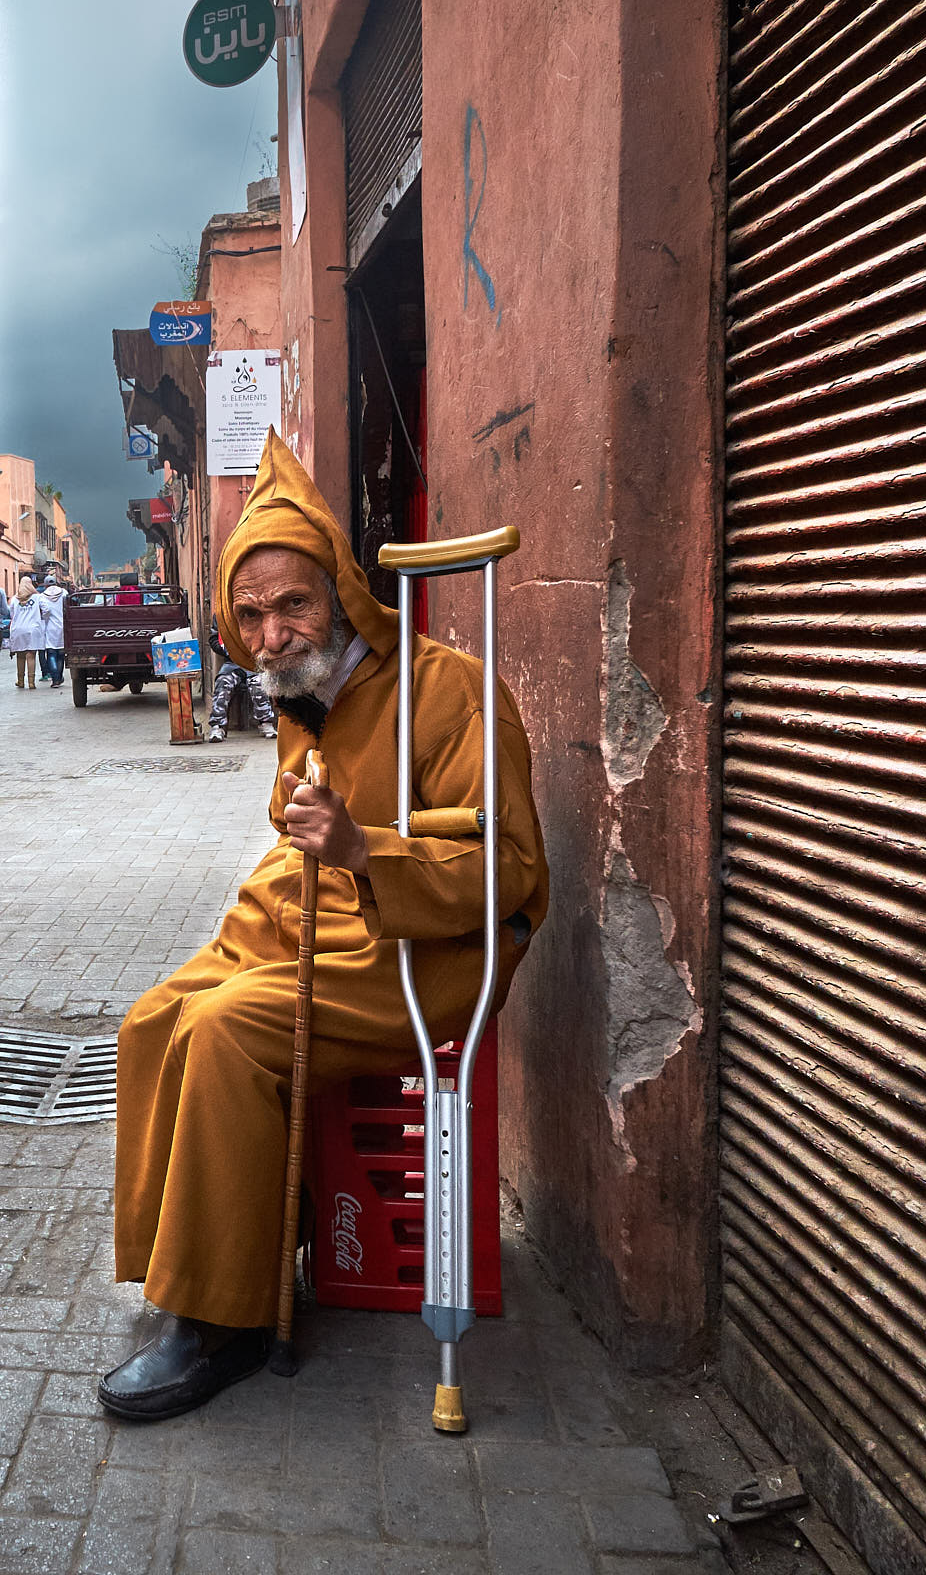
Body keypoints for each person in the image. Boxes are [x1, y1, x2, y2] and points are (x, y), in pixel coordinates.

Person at [98, 429, 549, 1421]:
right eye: (249, 616)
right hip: (312, 932)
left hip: (427, 952)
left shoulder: (454, 694)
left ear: (341, 594)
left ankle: (229, 1321)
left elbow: (511, 873)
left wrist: (361, 851)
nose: (270, 635)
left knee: (224, 1035)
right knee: (150, 1021)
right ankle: (194, 1254)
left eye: (292, 604)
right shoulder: (305, 698)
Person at [206, 614, 278, 741]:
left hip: (254, 664)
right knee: (223, 682)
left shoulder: (254, 611)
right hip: (232, 664)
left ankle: (266, 723)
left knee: (259, 683)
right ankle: (217, 726)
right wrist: (226, 650)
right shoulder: (221, 615)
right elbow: (213, 640)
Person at [8, 575, 47, 689]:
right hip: (33, 629)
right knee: (31, 656)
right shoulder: (37, 597)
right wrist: (41, 618)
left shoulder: (15, 599)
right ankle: (31, 682)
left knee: (20, 656)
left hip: (18, 629)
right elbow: (46, 610)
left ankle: (20, 681)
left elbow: (11, 614)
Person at [39, 579, 68, 688]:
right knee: (60, 654)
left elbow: (45, 611)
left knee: (51, 653)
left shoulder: (42, 596)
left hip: (50, 627)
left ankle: (55, 679)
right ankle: (59, 677)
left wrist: (45, 619)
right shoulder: (64, 593)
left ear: (45, 585)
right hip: (62, 626)